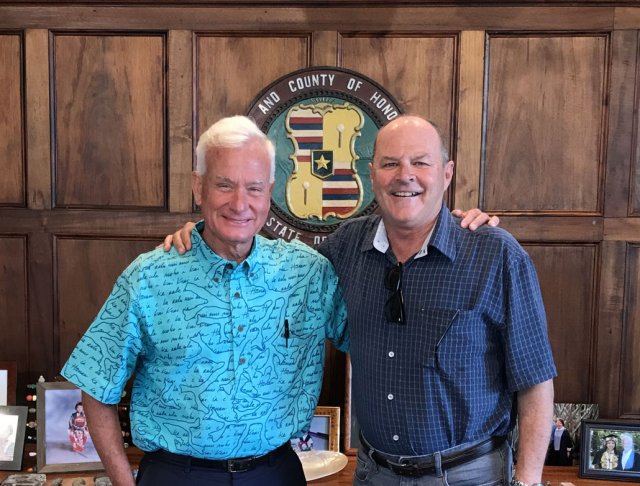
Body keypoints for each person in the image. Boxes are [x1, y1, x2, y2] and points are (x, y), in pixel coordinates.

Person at [166, 115, 556, 486]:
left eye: (420, 162)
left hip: (470, 474)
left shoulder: (495, 254)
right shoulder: (346, 246)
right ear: (372, 175)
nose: (405, 176)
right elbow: (265, 265)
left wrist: (528, 480)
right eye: (390, 163)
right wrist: (203, 236)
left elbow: (535, 381)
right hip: (375, 473)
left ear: (447, 173)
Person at [61, 116, 351, 486]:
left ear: (271, 192)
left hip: (276, 473)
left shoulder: (309, 273)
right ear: (198, 187)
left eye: (254, 188)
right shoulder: (150, 277)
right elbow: (95, 383)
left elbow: (372, 343)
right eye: (224, 185)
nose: (240, 203)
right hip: (176, 475)